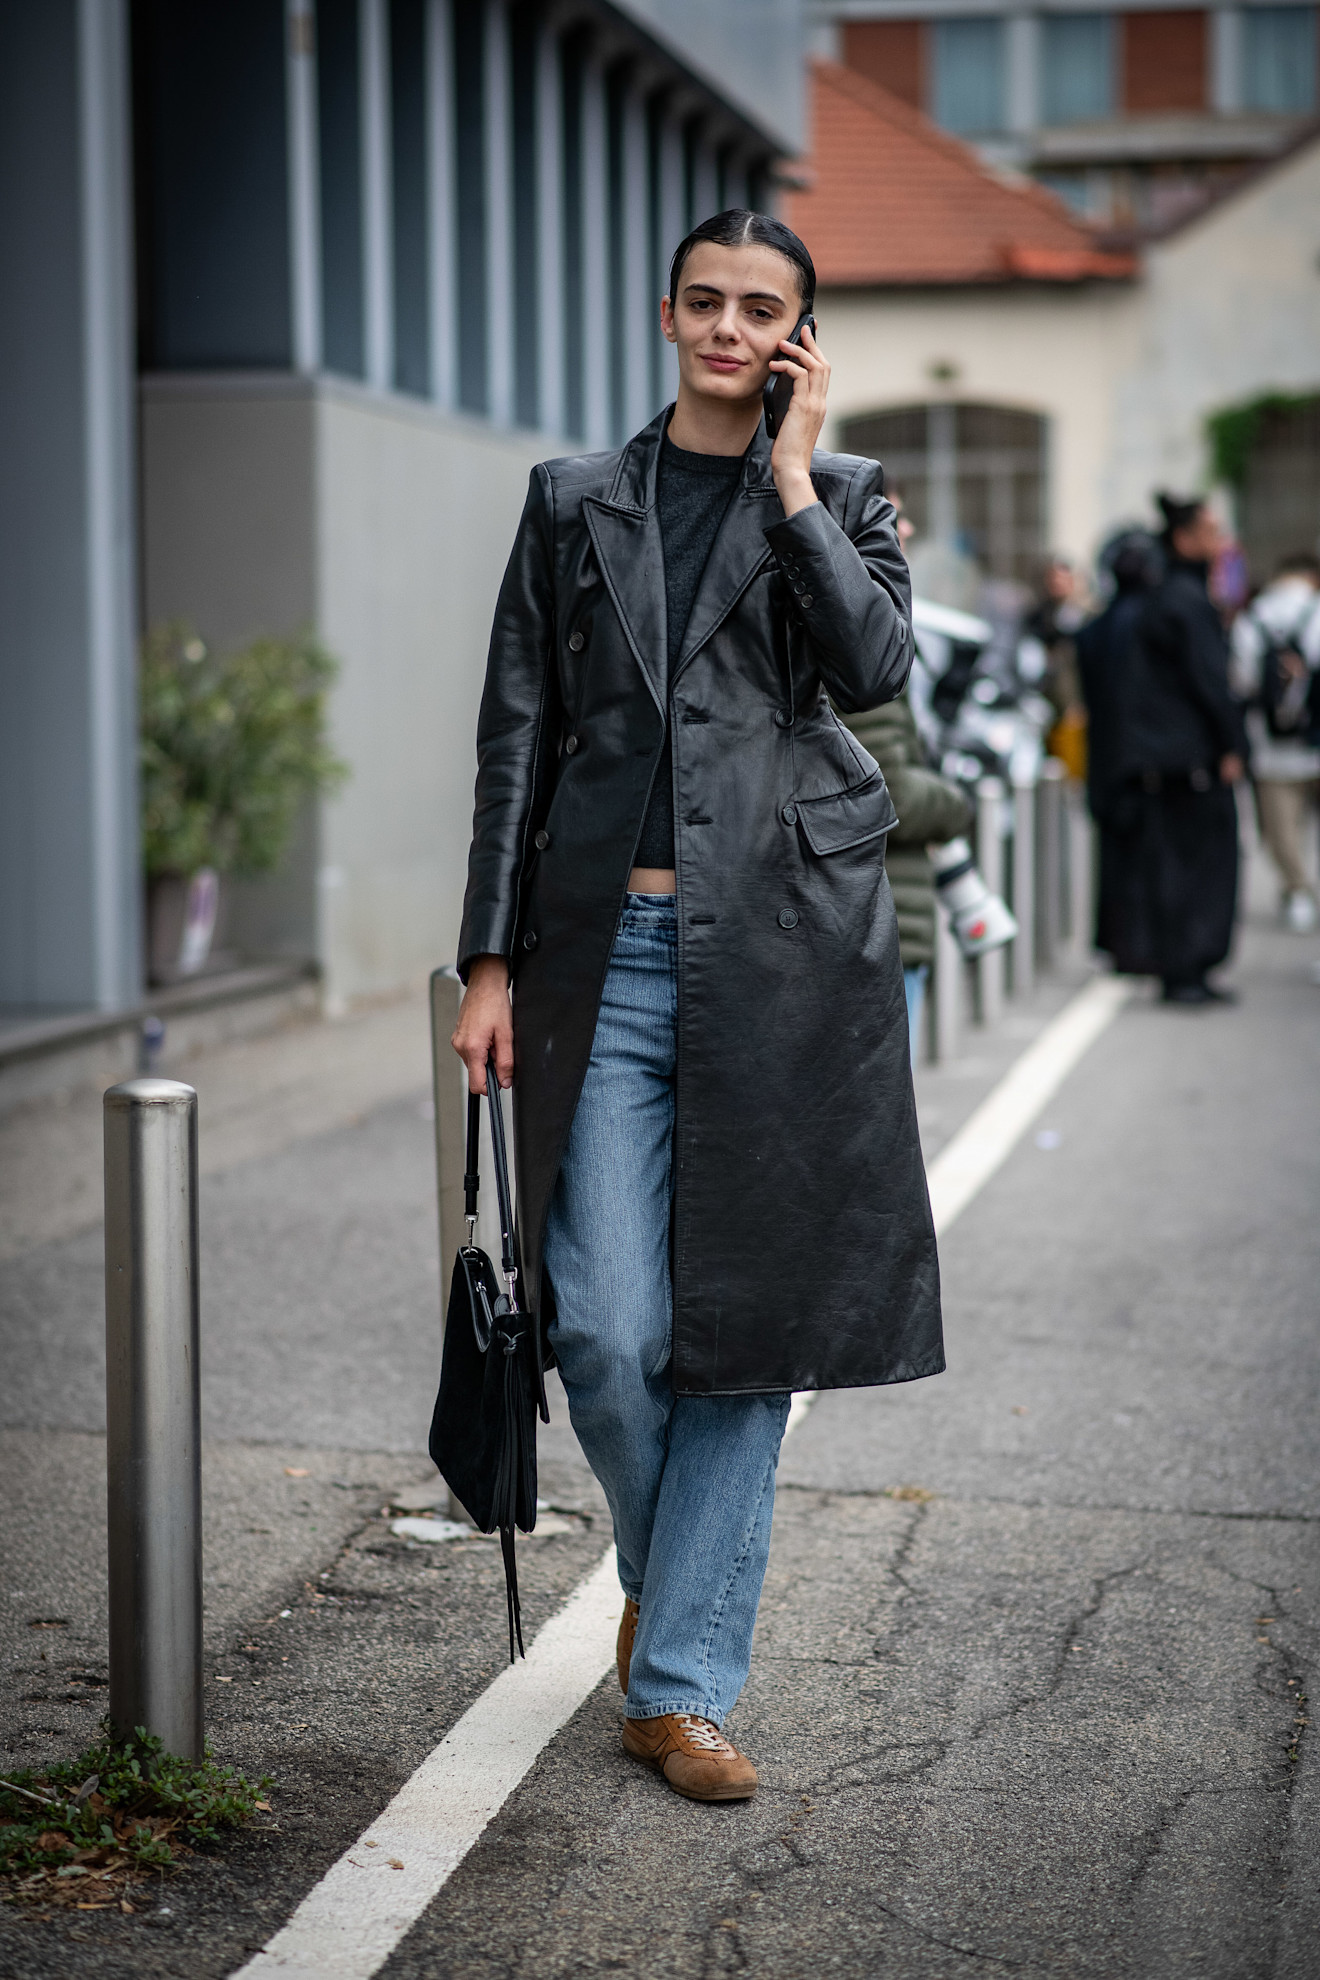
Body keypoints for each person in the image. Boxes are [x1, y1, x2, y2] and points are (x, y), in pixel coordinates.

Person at [451, 210, 942, 1802]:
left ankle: (678, 1685)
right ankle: (683, 1588)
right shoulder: (573, 500)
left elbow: (872, 671)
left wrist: (798, 476)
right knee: (604, 1325)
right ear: (668, 312)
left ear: (801, 335)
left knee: (745, 1335)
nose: (732, 328)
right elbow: (515, 734)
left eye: (767, 311)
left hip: (788, 958)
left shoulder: (847, 497)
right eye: (709, 302)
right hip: (606, 958)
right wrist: (489, 960)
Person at [1084, 494, 1245, 1004]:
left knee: (1174, 866)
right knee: (1193, 870)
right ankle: (1186, 971)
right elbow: (1210, 684)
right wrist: (1233, 744)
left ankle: (1184, 969)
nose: (1220, 543)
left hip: (1162, 760)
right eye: (1212, 532)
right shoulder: (1183, 600)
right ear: (1185, 538)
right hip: (1187, 762)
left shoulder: (1165, 599)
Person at [846, 501, 973, 1066]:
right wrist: (957, 805)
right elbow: (888, 791)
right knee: (878, 1119)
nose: (908, 529)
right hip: (880, 913)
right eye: (888, 514)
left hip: (882, 910)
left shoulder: (867, 634)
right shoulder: (860, 644)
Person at [1228, 553, 1320, 933]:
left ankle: (1298, 891)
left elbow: (1242, 681)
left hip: (1271, 748)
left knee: (1281, 829)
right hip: (1314, 740)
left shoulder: (1254, 618)